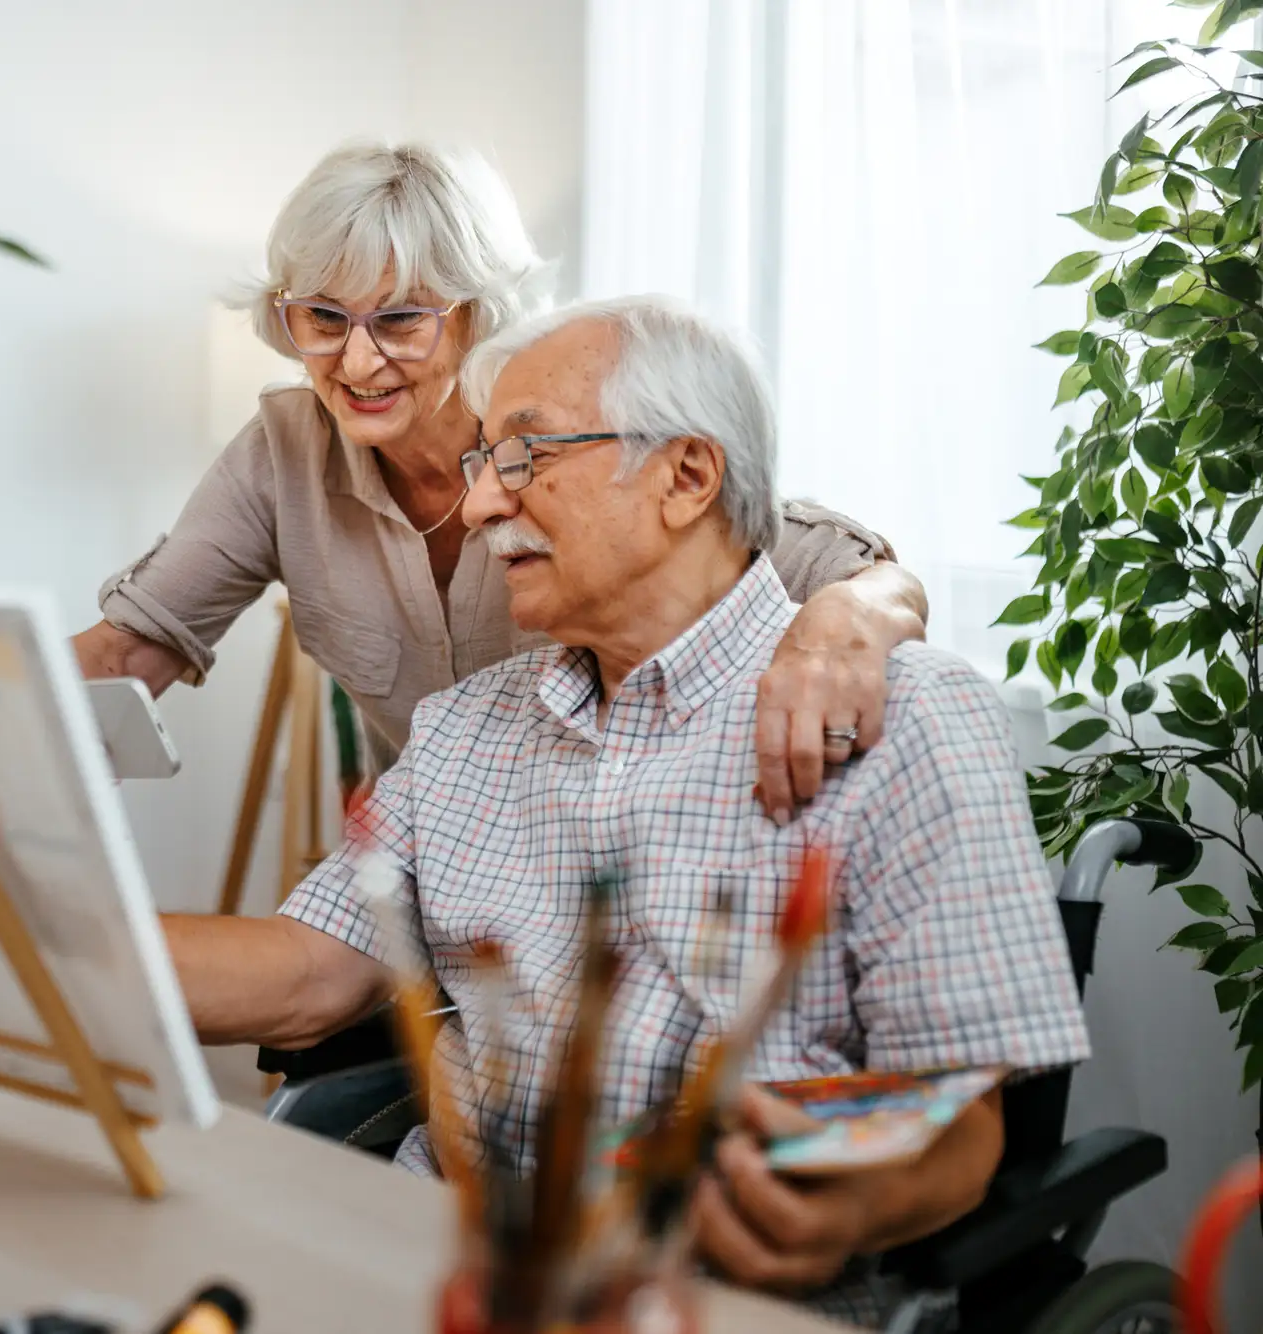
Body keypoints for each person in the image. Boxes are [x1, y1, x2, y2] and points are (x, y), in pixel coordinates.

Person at [160, 295, 1090, 1324]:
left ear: (685, 476)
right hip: (442, 1269)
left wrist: (840, 1200)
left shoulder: (905, 719)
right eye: (481, 465)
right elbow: (305, 970)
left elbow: (959, 1125)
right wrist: (22, 938)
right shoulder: (465, 726)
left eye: (522, 457)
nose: (474, 509)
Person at [73, 142, 928, 816]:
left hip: (599, 860)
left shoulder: (570, 440)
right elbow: (124, 656)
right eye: (323, 318)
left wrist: (843, 621)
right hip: (439, 874)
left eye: (402, 318)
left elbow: (858, 576)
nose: (357, 359)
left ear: (479, 314)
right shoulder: (284, 450)